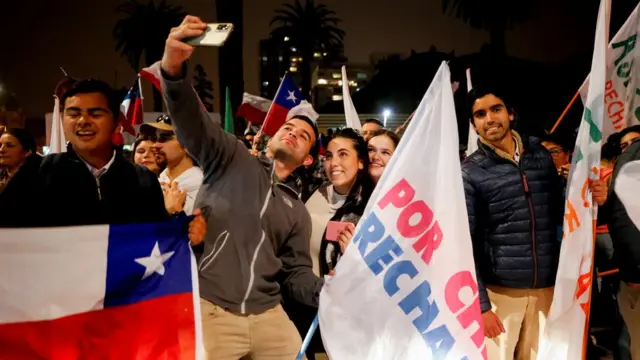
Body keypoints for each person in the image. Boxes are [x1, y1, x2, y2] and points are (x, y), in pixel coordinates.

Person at [159, 15, 323, 359]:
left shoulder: (297, 211)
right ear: (272, 136)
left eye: (304, 135)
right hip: (212, 308)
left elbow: (296, 273)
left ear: (308, 159)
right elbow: (193, 124)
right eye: (289, 127)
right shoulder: (231, 156)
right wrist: (173, 71)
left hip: (269, 317)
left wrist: (330, 292)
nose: (293, 132)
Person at [461, 86, 607, 360]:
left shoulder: (539, 155)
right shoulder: (469, 172)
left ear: (511, 114)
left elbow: (562, 208)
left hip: (547, 290)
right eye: (480, 114)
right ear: (474, 125)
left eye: (496, 109)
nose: (490, 119)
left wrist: (592, 194)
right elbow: (465, 241)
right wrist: (481, 306)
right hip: (500, 294)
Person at [21, 79, 206, 245]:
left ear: (117, 123)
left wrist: (186, 230)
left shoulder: (143, 180)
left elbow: (159, 245)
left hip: (122, 283)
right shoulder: (36, 174)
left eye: (95, 114)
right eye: (74, 114)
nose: (83, 121)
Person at [604, 128, 640, 359]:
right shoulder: (616, 186)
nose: (632, 150)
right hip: (631, 282)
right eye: (624, 147)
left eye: (636, 143)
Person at [141, 114, 203, 215]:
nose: (155, 145)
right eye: (155, 138)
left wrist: (174, 212)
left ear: (188, 145)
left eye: (165, 138)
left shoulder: (205, 189)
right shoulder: (155, 183)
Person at [0, 128, 42, 227]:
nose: (1, 150)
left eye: (9, 145)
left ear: (27, 152)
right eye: (0, 145)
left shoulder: (36, 183)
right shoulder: (3, 177)